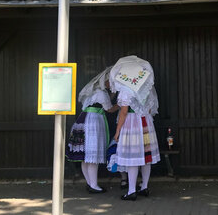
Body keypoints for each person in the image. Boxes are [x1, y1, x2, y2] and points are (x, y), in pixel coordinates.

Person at [110, 55, 160, 201]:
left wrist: (118, 130)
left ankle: (131, 190)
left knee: (133, 157)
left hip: (131, 125)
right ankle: (144, 187)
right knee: (146, 156)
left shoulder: (125, 89)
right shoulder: (147, 87)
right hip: (146, 123)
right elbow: (150, 108)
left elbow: (124, 112)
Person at [66, 67, 120, 193]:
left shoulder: (93, 91)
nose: (111, 84)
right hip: (93, 122)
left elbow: (104, 101)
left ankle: (90, 183)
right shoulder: (101, 93)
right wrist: (121, 105)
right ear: (105, 81)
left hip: (83, 120)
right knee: (92, 155)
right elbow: (109, 109)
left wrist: (112, 94)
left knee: (86, 156)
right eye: (110, 81)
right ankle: (94, 185)